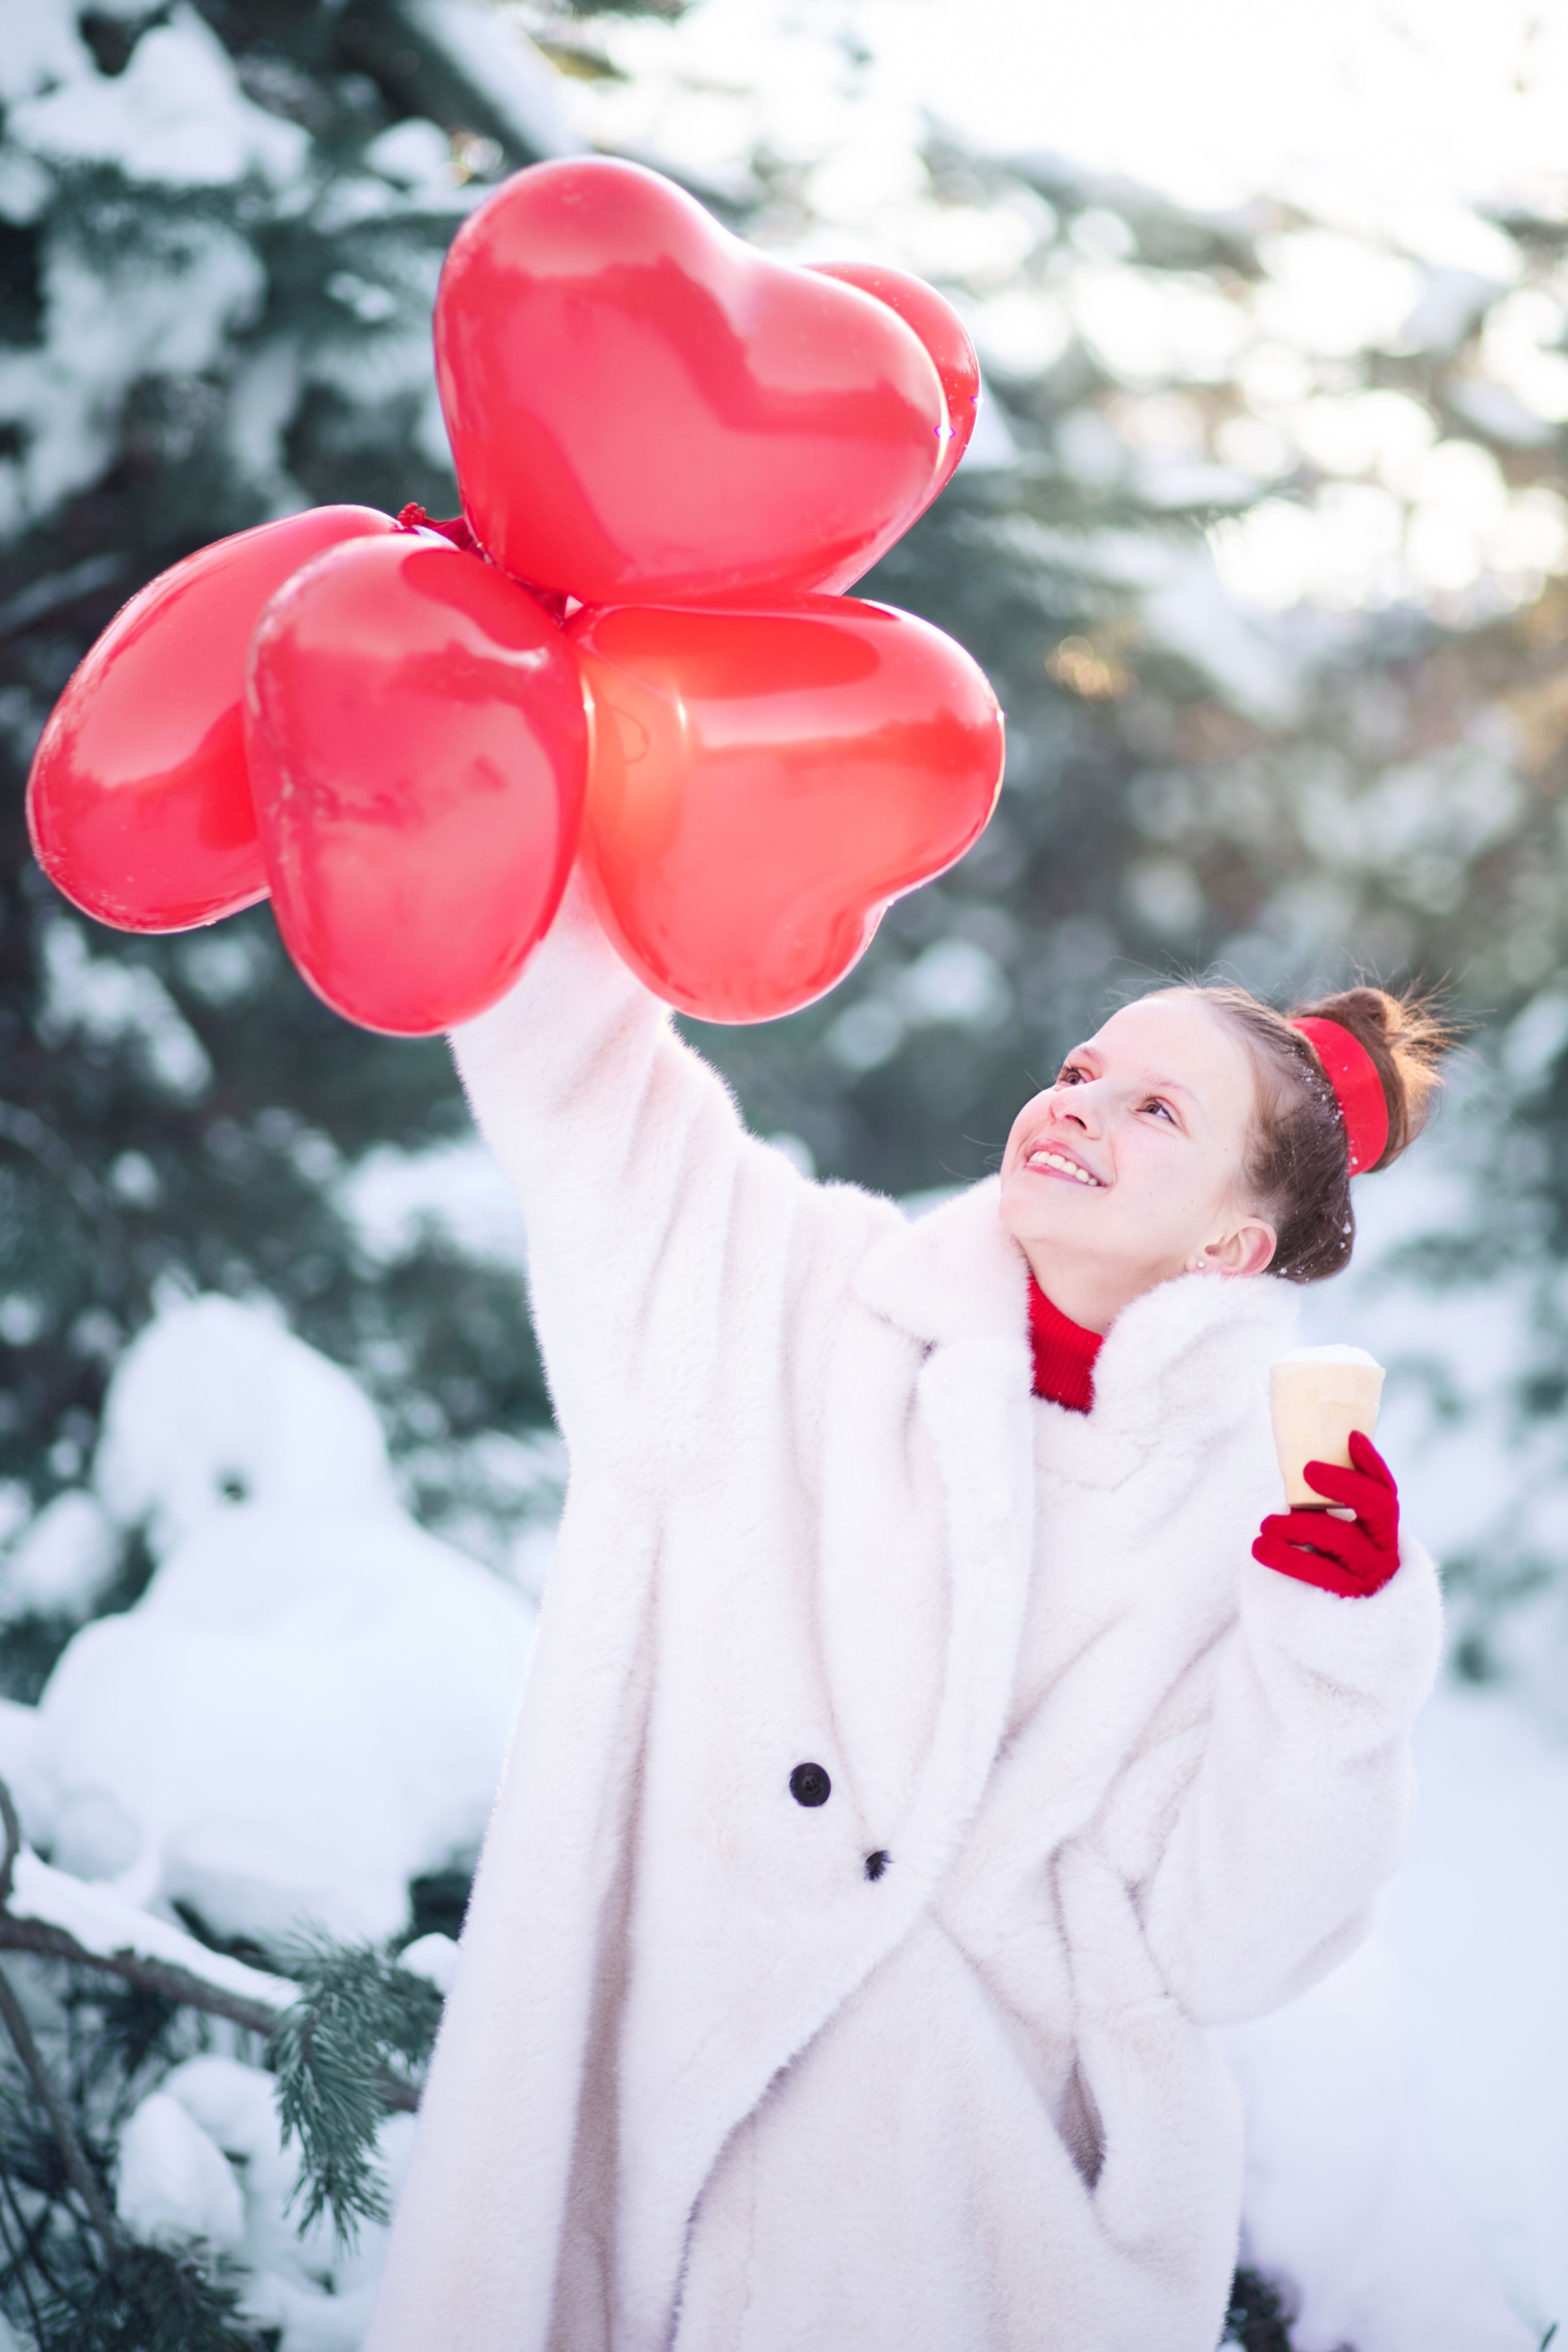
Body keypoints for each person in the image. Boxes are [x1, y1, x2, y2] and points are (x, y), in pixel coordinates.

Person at [366, 881, 1451, 2352]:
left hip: (964, 2241)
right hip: (639, 2174)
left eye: (1154, 1113)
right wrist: (511, 828)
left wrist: (1331, 1660)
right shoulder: (795, 1292)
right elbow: (594, 1094)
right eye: (1079, 1071)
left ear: (1228, 1249)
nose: (1077, 1105)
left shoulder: (1245, 1530)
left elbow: (1231, 1950)